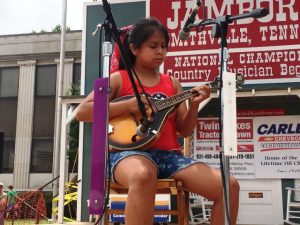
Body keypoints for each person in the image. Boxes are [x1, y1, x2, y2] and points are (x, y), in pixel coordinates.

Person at [76, 17, 240, 225]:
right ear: (134, 49)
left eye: (163, 46)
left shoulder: (172, 83)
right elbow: (83, 112)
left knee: (229, 185)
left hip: (169, 156)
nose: (160, 52)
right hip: (126, 155)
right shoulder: (119, 78)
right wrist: (127, 106)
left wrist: (195, 105)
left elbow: (185, 130)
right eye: (153, 46)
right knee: (144, 174)